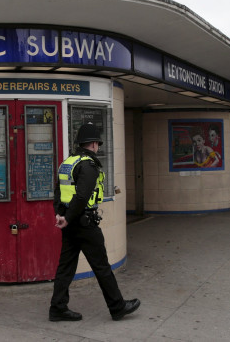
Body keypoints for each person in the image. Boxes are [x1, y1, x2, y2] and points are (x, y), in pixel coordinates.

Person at [49, 122, 140, 322]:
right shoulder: (88, 165)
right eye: (98, 143)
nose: (98, 147)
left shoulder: (68, 162)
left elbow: (58, 191)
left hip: (69, 222)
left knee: (65, 267)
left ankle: (57, 308)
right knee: (101, 266)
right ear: (93, 144)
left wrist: (60, 215)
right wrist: (69, 217)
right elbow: (81, 197)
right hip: (84, 223)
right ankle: (117, 307)